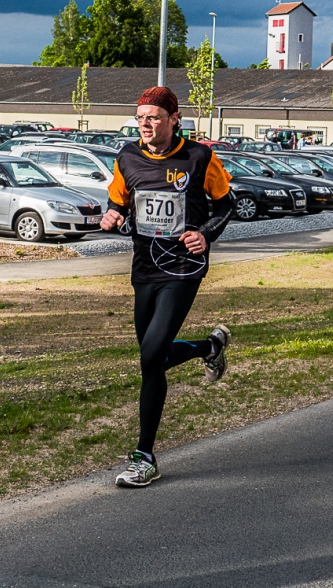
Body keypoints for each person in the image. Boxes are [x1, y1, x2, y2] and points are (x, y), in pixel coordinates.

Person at [100, 86, 236, 488]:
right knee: (151, 357)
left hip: (184, 268)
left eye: (154, 117)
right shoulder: (127, 156)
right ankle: (208, 348)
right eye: (141, 117)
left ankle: (145, 455)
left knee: (151, 357)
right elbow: (119, 202)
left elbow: (226, 204)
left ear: (174, 118)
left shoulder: (199, 157)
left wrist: (206, 234)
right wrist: (111, 215)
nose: (145, 123)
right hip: (145, 267)